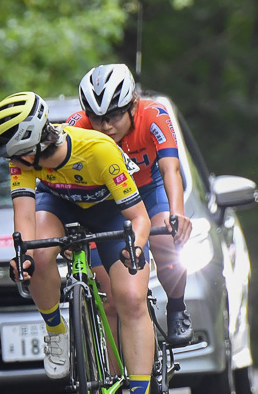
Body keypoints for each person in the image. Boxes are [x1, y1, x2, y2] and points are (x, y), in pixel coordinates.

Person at [0, 91, 156, 394]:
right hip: (58, 205)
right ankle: (56, 329)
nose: (12, 161)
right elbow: (25, 217)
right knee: (39, 253)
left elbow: (139, 218)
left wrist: (136, 249)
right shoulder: (24, 161)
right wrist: (23, 257)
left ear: (33, 144)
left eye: (15, 154)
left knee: (131, 299)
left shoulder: (99, 149)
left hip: (109, 210)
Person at [67, 64, 194, 346]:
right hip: (105, 200)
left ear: (133, 105)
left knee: (166, 238)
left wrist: (177, 214)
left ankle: (176, 308)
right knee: (110, 296)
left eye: (113, 116)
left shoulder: (154, 115)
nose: (105, 127)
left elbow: (170, 168)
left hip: (149, 190)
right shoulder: (77, 125)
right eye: (96, 118)